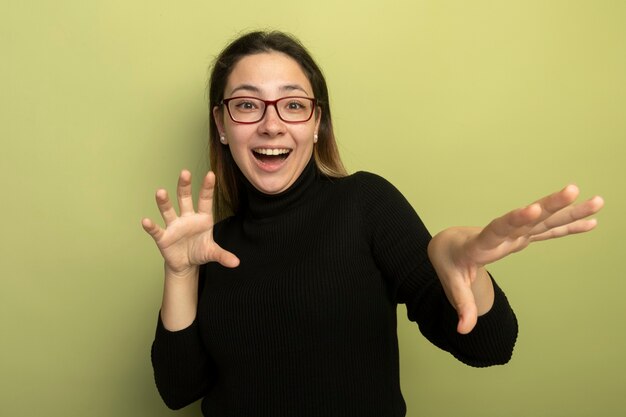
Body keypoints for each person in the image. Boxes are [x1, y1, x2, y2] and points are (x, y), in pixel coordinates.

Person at [141, 31, 604, 417]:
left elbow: (490, 347)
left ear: (317, 121)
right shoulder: (210, 245)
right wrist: (180, 273)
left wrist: (465, 269)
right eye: (247, 105)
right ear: (221, 124)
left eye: (293, 105)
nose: (272, 124)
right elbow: (178, 389)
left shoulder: (364, 203)